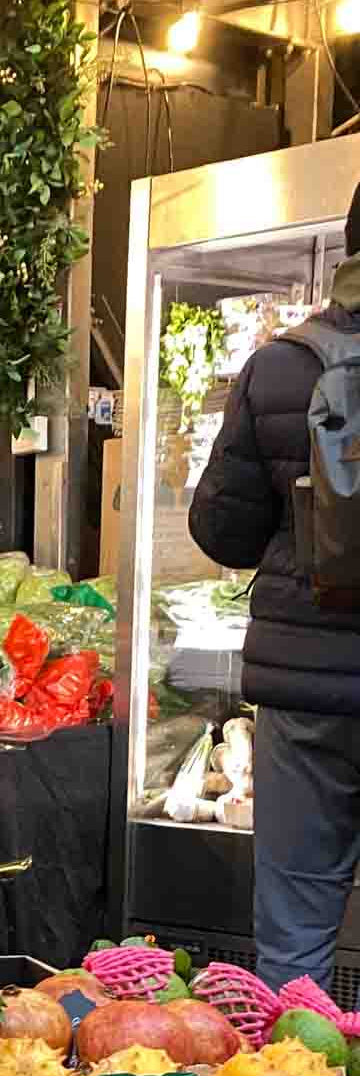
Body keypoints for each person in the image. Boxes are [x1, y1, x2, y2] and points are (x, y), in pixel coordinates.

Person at [188, 182, 360, 992]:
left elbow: (221, 533)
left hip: (307, 689)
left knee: (295, 933)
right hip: (307, 683)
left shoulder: (282, 366)